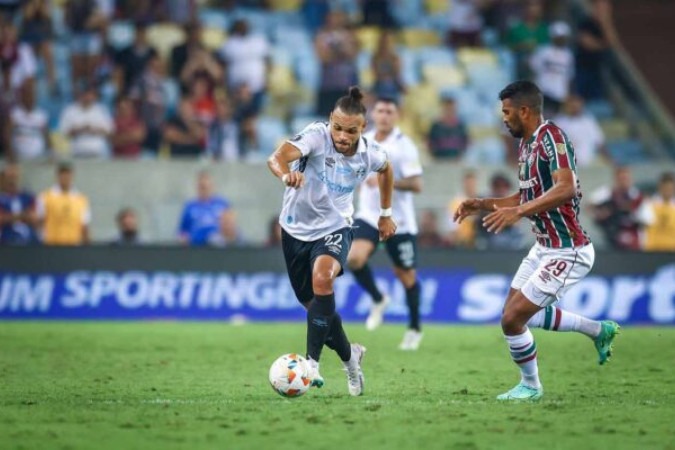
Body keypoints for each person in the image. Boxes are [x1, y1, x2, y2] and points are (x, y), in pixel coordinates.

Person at [454, 80, 619, 401]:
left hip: (568, 249)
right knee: (514, 314)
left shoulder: (551, 138)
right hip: (543, 247)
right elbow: (525, 195)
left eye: (506, 111)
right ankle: (599, 330)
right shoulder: (526, 145)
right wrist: (482, 203)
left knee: (512, 319)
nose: (503, 118)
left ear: (524, 111)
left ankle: (531, 386)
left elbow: (565, 188)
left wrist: (519, 212)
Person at [267, 86, 395, 396]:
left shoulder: (371, 153)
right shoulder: (315, 136)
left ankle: (312, 365)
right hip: (295, 229)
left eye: (350, 130)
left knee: (323, 280)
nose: (341, 135)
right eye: (337, 127)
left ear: (362, 129)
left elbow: (386, 171)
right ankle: (352, 358)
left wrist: (385, 213)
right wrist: (286, 175)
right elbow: (276, 158)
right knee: (316, 307)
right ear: (330, 121)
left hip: (336, 226)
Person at [346, 97, 423, 349]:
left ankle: (414, 328)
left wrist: (387, 181)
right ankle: (378, 299)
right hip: (368, 215)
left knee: (406, 275)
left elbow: (416, 184)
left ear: (397, 115)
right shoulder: (363, 140)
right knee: (355, 258)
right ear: (373, 115)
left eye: (389, 111)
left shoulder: (404, 146)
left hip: (398, 220)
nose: (384, 116)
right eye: (380, 111)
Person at [589, 166, 653, 250]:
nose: (623, 181)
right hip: (611, 237)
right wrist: (601, 214)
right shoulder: (607, 193)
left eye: (625, 178)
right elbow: (589, 206)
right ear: (615, 179)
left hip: (633, 239)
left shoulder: (637, 197)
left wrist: (632, 214)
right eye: (620, 178)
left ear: (630, 179)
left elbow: (648, 221)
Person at [37, 162, 91, 245]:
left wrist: (87, 245)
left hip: (73, 245)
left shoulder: (81, 199)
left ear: (72, 176)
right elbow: (40, 221)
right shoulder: (45, 197)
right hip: (51, 244)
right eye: (62, 175)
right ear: (57, 176)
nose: (65, 178)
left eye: (67, 175)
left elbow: (84, 225)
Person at [529, 21, 574, 115]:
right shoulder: (543, 51)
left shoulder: (568, 55)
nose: (561, 39)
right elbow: (533, 69)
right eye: (558, 37)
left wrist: (567, 95)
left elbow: (568, 77)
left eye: (563, 37)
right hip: (543, 90)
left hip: (559, 93)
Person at [58, 83, 113, 158]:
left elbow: (110, 132)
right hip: (77, 152)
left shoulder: (102, 110)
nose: (88, 97)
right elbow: (64, 133)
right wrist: (80, 129)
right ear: (80, 95)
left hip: (98, 152)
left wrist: (94, 130)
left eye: (91, 95)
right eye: (85, 94)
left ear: (95, 96)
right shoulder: (69, 110)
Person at [177, 171, 231, 245]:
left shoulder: (222, 204)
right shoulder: (190, 207)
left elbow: (232, 227)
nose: (204, 190)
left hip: (219, 247)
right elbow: (182, 232)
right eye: (202, 187)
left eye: (206, 186)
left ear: (212, 186)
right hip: (195, 247)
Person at [474, 173, 525, 250]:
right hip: (487, 237)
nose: (501, 190)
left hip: (509, 238)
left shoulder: (513, 204)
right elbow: (480, 222)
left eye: (504, 187)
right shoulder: (484, 202)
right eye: (498, 187)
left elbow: (516, 224)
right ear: (492, 188)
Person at [553, 95, 606, 167]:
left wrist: (609, 161)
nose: (575, 108)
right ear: (566, 106)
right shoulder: (558, 122)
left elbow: (599, 143)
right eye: (572, 106)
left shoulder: (588, 121)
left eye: (577, 106)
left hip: (587, 164)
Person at [0, 163, 39, 245]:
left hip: (29, 240)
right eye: (10, 177)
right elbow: (1, 219)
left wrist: (9, 216)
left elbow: (34, 218)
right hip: (7, 240)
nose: (12, 180)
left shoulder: (28, 196)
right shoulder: (2, 199)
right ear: (3, 178)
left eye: (14, 177)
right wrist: (23, 215)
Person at [644, 172, 675, 252]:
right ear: (660, 187)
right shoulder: (649, 205)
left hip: (672, 251)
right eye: (665, 188)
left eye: (670, 189)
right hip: (653, 250)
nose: (667, 191)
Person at [447, 170, 478, 248]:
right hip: (462, 243)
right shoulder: (456, 204)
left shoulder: (481, 201)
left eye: (472, 183)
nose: (470, 186)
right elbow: (452, 228)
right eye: (468, 183)